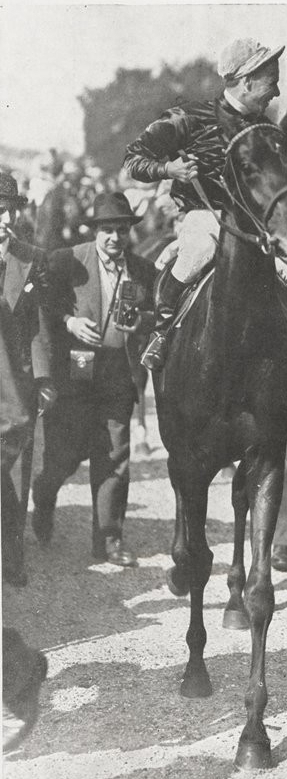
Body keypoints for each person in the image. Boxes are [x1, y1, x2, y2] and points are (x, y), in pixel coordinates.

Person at [123, 37, 285, 371]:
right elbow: (133, 159)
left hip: (255, 225)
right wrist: (168, 169)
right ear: (246, 81)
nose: (277, 93)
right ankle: (161, 332)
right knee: (200, 251)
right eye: (272, 84)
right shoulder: (188, 117)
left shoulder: (267, 129)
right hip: (203, 216)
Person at [31, 192, 156, 567]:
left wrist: (142, 322)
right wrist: (69, 322)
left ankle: (109, 539)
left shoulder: (142, 270)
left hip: (117, 375)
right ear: (95, 231)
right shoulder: (66, 262)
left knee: (115, 457)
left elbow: (158, 314)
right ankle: (44, 496)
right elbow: (39, 305)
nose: (114, 238)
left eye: (121, 230)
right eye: (107, 231)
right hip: (74, 377)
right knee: (63, 460)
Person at [0, 172, 56, 586]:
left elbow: (38, 323)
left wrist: (43, 377)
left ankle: (13, 553)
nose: (5, 218)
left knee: (17, 464)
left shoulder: (30, 256)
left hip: (16, 375)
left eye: (10, 209)